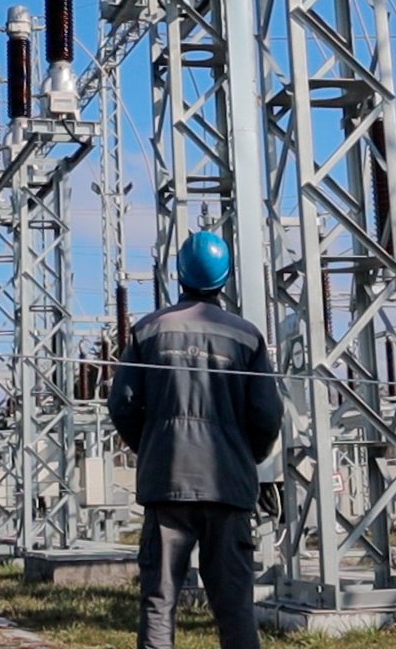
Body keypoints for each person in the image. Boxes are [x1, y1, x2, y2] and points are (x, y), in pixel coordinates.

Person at [108, 231, 281, 649]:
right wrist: (246, 456)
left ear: (179, 275)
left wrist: (152, 445)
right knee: (234, 602)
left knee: (159, 599)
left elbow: (123, 404)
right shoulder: (246, 336)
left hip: (166, 482)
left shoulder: (148, 331)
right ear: (225, 279)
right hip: (228, 485)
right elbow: (266, 413)